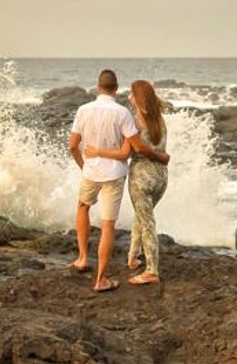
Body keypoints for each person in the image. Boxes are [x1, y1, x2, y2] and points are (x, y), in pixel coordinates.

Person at [67, 70, 168, 292]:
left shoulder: (83, 110)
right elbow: (127, 152)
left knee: (82, 208)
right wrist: (162, 157)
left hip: (92, 172)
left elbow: (73, 145)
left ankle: (83, 258)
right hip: (117, 175)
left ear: (97, 86)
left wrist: (85, 165)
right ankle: (102, 278)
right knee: (108, 225)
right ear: (116, 88)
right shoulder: (125, 114)